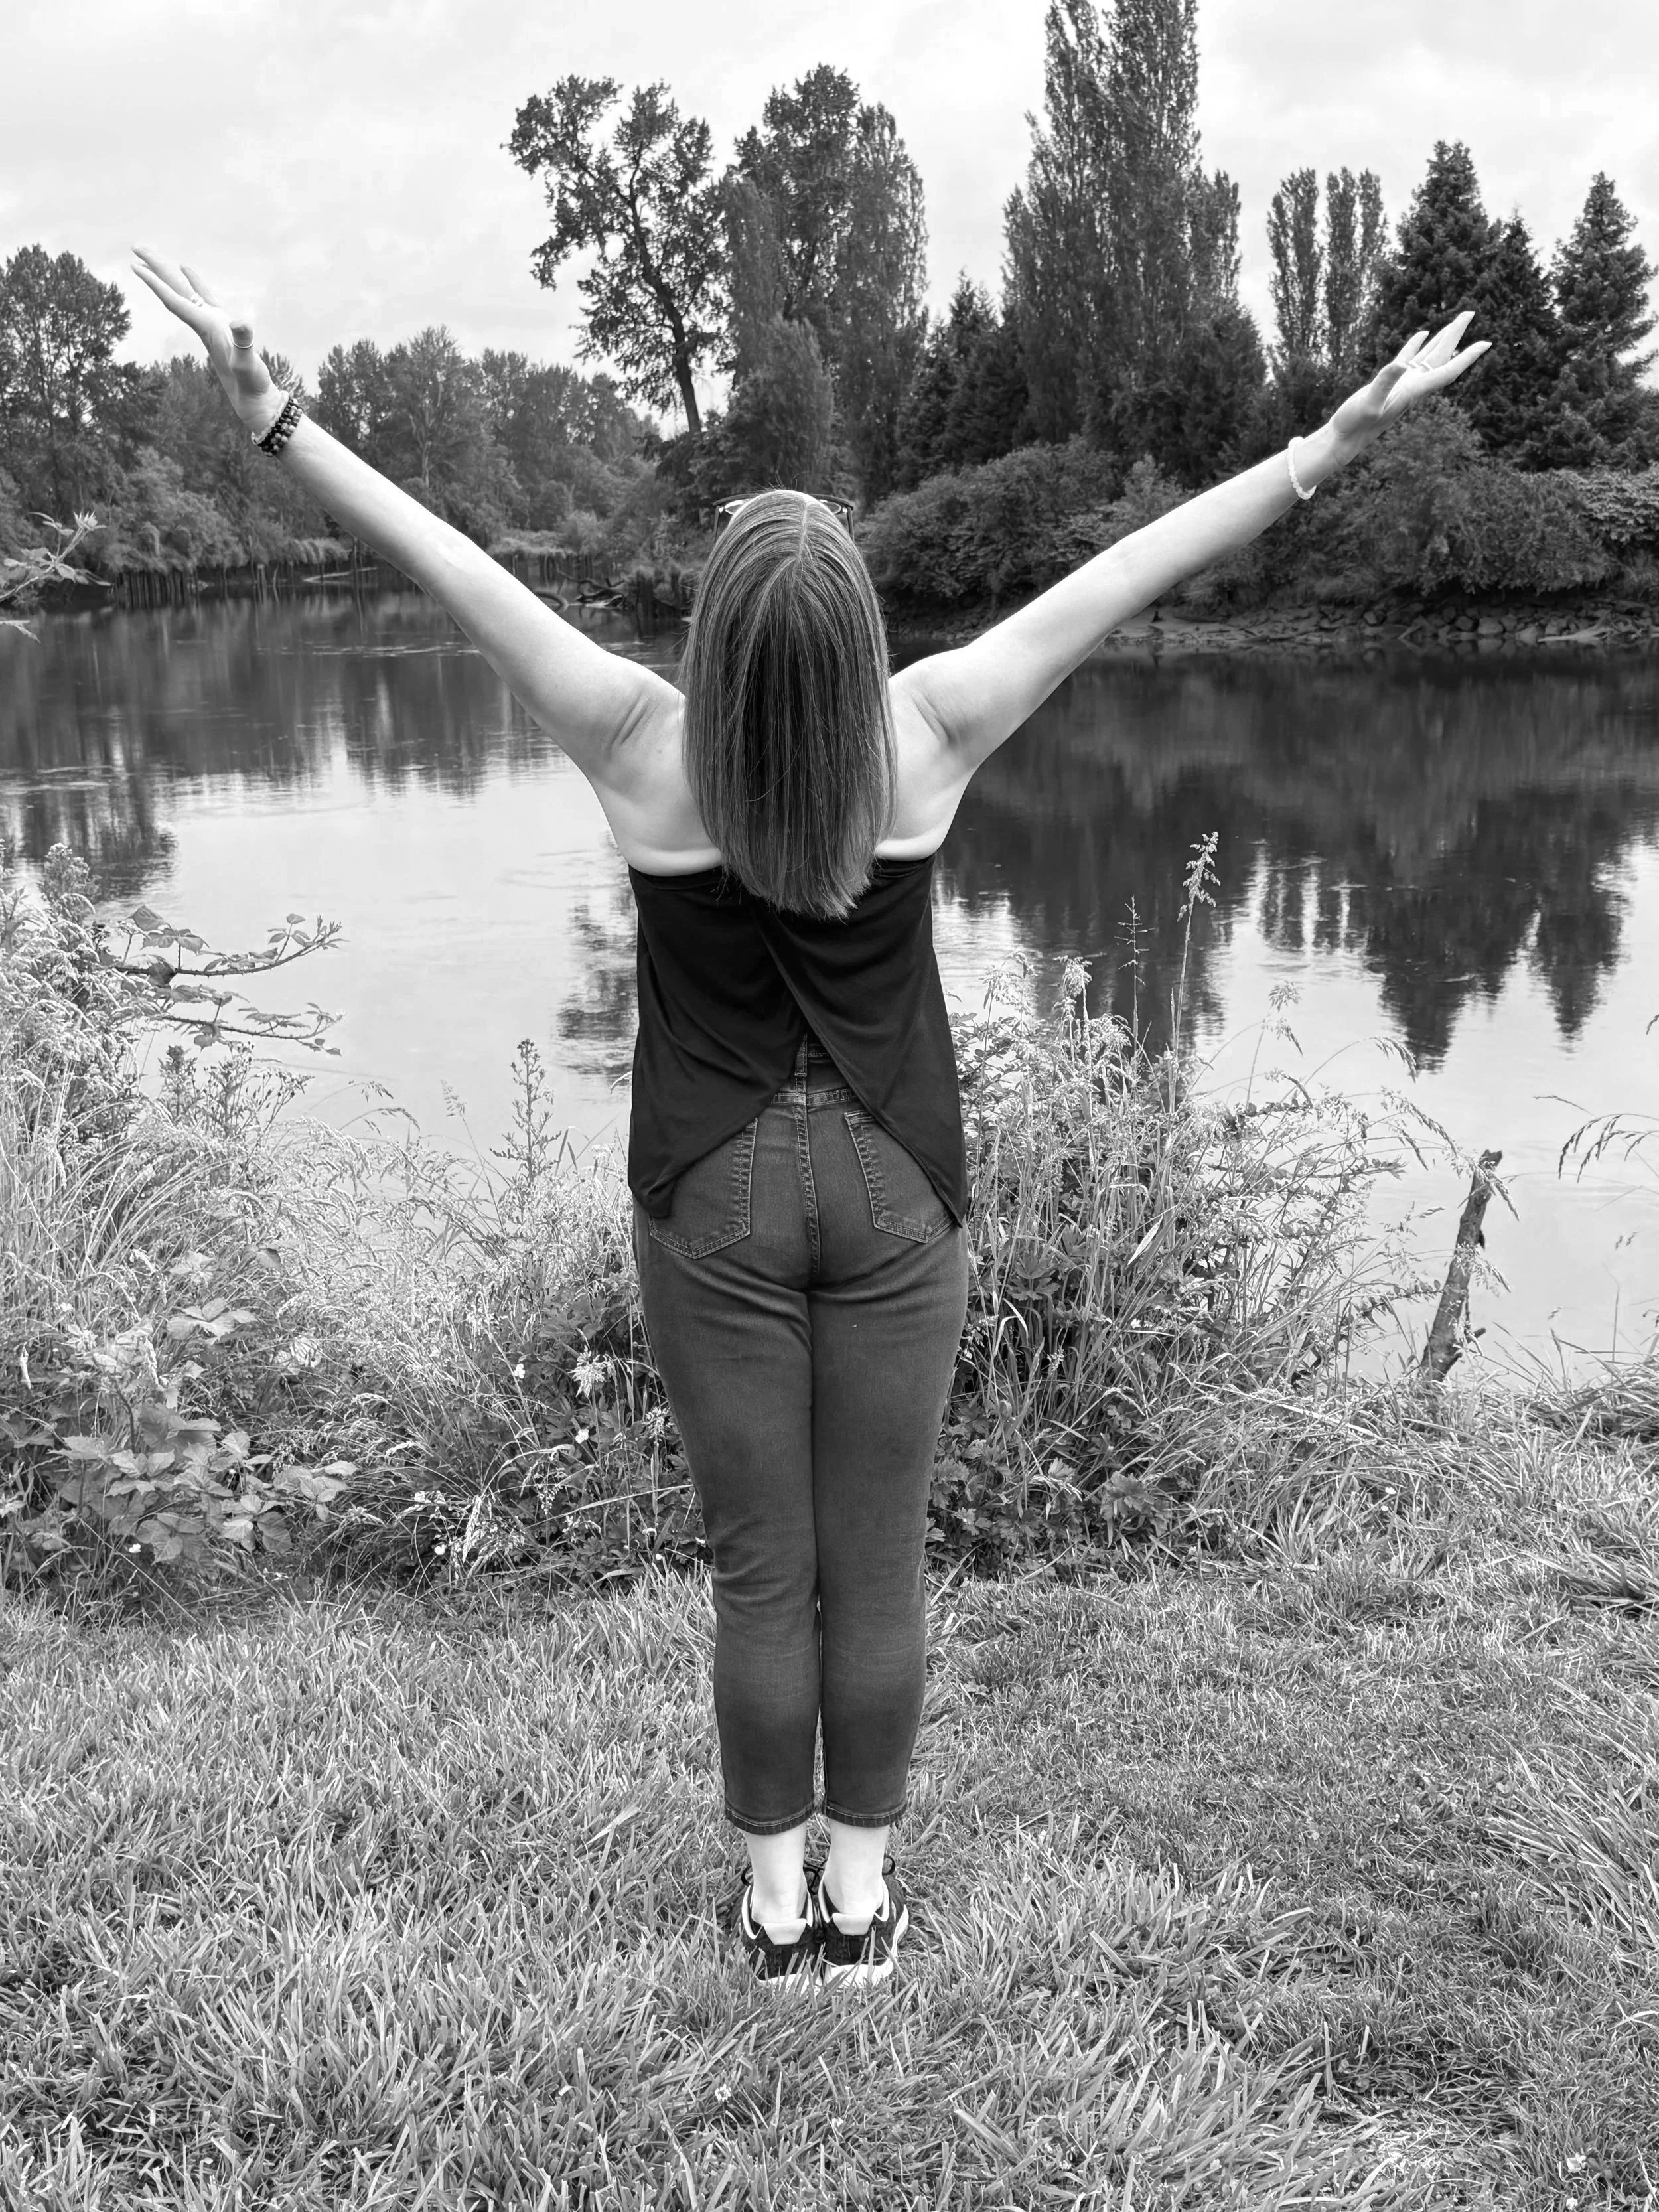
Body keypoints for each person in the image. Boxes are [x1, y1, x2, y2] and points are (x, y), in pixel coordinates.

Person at [133, 245, 1488, 1990]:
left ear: (714, 639)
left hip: (710, 1193)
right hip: (893, 1184)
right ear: (854, 641)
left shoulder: (635, 736)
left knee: (761, 1569)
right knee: (880, 1555)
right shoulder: (924, 732)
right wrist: (1325, 446)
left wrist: (278, 425)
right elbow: (1129, 574)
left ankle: (773, 1909)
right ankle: (860, 1901)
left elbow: (450, 567)